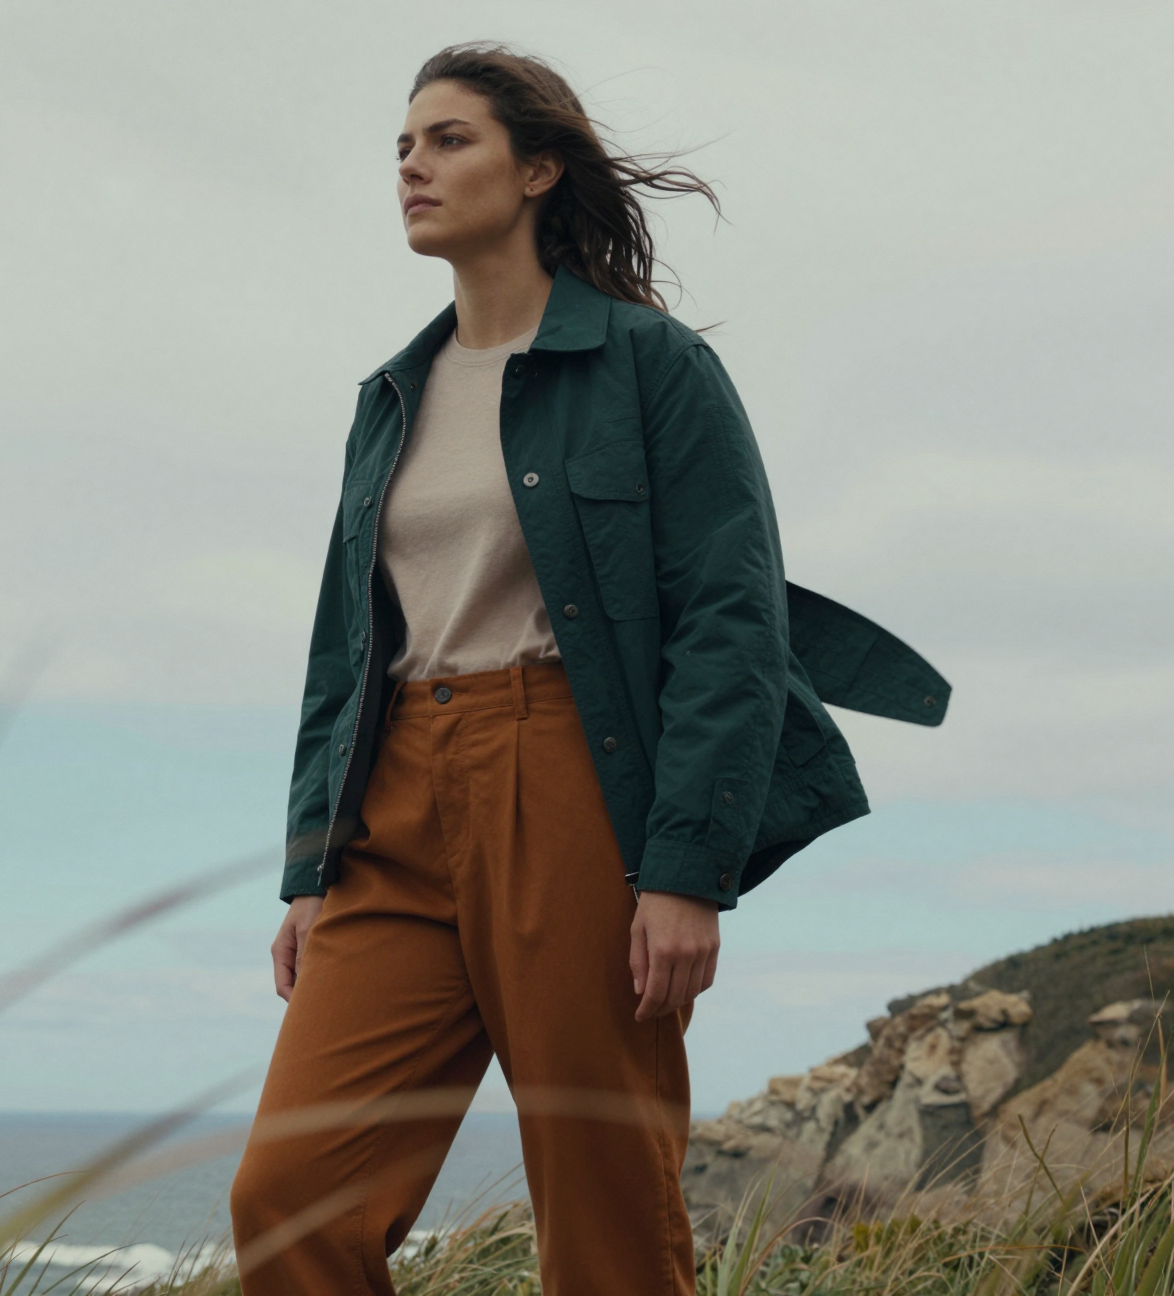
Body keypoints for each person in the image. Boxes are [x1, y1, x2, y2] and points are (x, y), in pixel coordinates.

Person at [228, 43, 948, 1296]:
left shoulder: (650, 368)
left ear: (538, 170)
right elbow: (345, 646)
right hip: (392, 801)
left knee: (603, 1210)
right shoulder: (392, 396)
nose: (412, 165)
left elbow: (732, 620)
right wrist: (308, 868)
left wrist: (687, 869)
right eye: (402, 145)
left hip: (563, 770)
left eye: (448, 139)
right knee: (290, 1198)